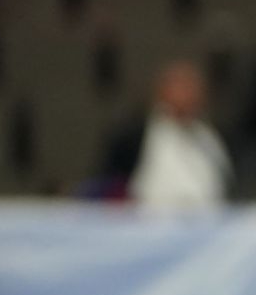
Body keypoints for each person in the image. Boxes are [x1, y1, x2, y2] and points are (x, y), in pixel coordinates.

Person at [96, 59, 232, 208]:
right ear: (161, 91)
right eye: (181, 87)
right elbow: (109, 186)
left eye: (192, 88)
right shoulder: (134, 137)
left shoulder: (211, 138)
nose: (187, 95)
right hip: (149, 224)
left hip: (209, 223)